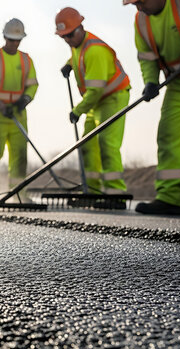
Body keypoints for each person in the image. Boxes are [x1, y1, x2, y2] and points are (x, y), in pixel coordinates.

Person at [124, 0, 180, 215]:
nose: (138, 7)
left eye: (140, 1)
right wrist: (150, 81)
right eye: (134, 3)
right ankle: (170, 199)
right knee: (169, 139)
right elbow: (146, 56)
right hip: (177, 85)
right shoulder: (141, 21)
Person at [56, 7, 131, 208]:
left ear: (81, 27)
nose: (68, 40)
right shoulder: (77, 45)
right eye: (64, 37)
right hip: (95, 102)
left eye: (70, 35)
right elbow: (78, 56)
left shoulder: (95, 50)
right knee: (87, 145)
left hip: (112, 98)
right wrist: (69, 64)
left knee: (107, 145)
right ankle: (93, 191)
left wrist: (77, 111)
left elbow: (95, 91)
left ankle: (115, 195)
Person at [0, 18, 38, 194]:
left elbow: (33, 85)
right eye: (11, 39)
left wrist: (24, 100)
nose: (14, 43)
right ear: (5, 37)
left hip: (18, 115)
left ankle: (19, 194)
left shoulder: (26, 60)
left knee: (20, 156)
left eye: (17, 40)